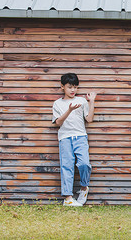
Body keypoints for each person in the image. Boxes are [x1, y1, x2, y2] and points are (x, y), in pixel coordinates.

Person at [52, 73, 96, 207]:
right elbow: (58, 122)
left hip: (80, 136)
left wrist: (91, 101)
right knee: (67, 167)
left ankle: (84, 188)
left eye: (75, 87)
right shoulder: (57, 103)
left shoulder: (82, 101)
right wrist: (69, 110)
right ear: (62, 87)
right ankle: (68, 198)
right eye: (70, 87)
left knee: (84, 164)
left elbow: (89, 119)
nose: (73, 90)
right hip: (65, 138)